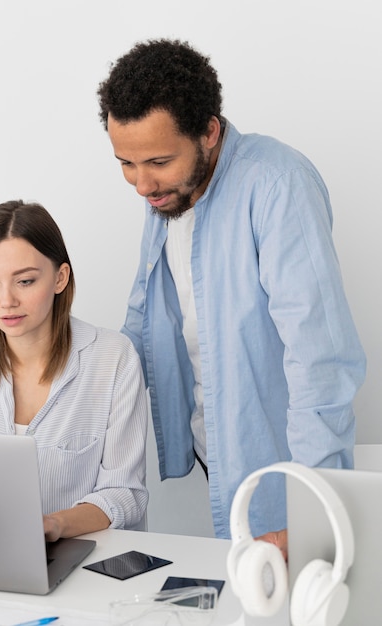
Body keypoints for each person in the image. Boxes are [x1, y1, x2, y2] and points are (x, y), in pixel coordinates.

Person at [96, 39, 366, 554]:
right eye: (125, 163)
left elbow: (322, 362)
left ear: (209, 132)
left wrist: (313, 514)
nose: (141, 183)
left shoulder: (277, 184)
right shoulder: (168, 194)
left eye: (156, 160)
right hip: (217, 448)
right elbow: (144, 317)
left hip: (284, 467)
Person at [0, 199, 148, 541]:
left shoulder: (113, 358)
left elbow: (126, 493)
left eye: (25, 281)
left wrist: (54, 525)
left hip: (79, 555)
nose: (6, 301)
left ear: (60, 277)